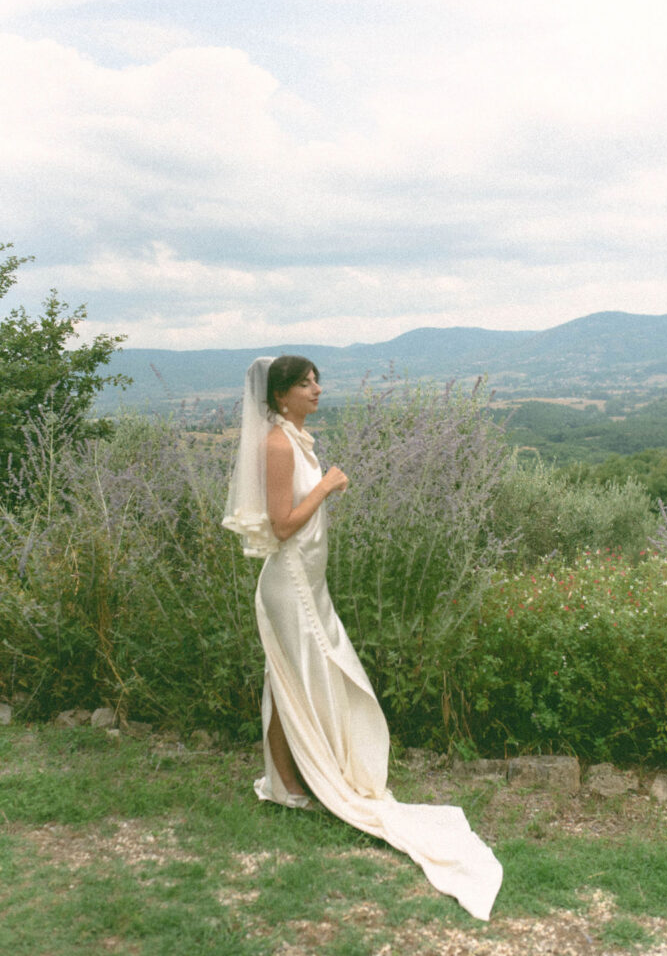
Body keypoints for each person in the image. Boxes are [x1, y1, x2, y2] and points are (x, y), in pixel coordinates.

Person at [223, 355, 503, 921]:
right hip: (291, 583)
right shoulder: (277, 446)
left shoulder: (298, 439)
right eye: (306, 384)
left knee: (291, 681)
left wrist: (322, 481)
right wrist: (326, 486)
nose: (317, 390)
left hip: (311, 581)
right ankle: (291, 785)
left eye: (316, 381)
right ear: (281, 396)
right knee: (294, 677)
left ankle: (286, 785)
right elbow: (280, 525)